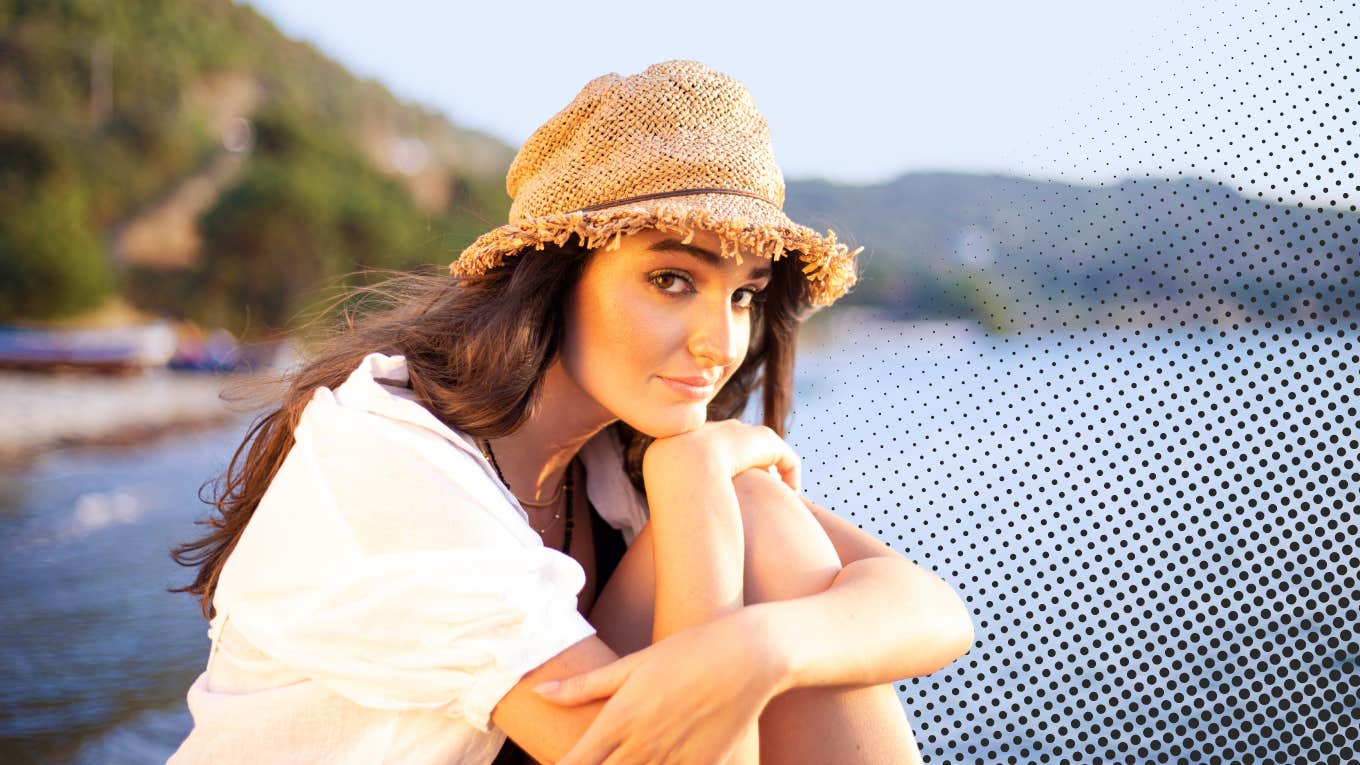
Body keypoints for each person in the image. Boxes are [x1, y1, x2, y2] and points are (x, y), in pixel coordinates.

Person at [168, 60, 974, 765]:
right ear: (555, 278)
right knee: (734, 505)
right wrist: (693, 478)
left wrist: (763, 648)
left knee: (758, 509)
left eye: (743, 294)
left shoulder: (605, 456)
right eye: (671, 280)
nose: (720, 341)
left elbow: (934, 610)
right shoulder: (385, 458)